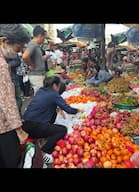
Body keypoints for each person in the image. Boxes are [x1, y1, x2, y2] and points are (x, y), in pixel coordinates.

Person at [22, 76, 81, 164]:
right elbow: (68, 109)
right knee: (62, 130)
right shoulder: (53, 94)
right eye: (58, 86)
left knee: (53, 116)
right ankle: (43, 153)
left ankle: (42, 143)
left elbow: (46, 106)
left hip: (26, 125)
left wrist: (56, 107)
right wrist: (78, 110)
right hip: (35, 126)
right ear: (54, 85)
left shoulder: (40, 91)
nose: (58, 88)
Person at [0, 24, 30, 168]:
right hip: (3, 126)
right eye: (18, 48)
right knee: (12, 159)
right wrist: (19, 129)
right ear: (4, 41)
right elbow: (5, 99)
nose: (18, 53)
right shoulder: (1, 65)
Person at [23, 25, 50, 94]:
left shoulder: (36, 45)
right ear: (40, 35)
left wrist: (42, 58)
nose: (44, 40)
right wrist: (31, 65)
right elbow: (25, 56)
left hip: (39, 75)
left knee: (42, 95)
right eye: (44, 37)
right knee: (40, 96)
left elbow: (35, 58)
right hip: (37, 75)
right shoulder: (33, 44)